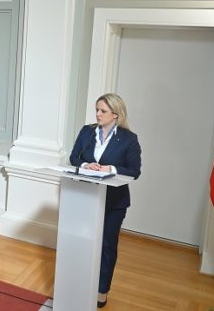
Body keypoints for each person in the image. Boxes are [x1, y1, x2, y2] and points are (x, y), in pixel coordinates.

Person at [68, 93, 141, 308]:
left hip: (114, 203)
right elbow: (74, 157)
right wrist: (86, 165)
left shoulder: (129, 139)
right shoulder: (87, 131)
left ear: (115, 114)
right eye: (97, 110)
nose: (98, 114)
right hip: (85, 197)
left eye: (103, 111)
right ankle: (81, 283)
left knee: (107, 245)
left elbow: (134, 171)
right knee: (82, 241)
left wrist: (111, 168)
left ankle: (101, 290)